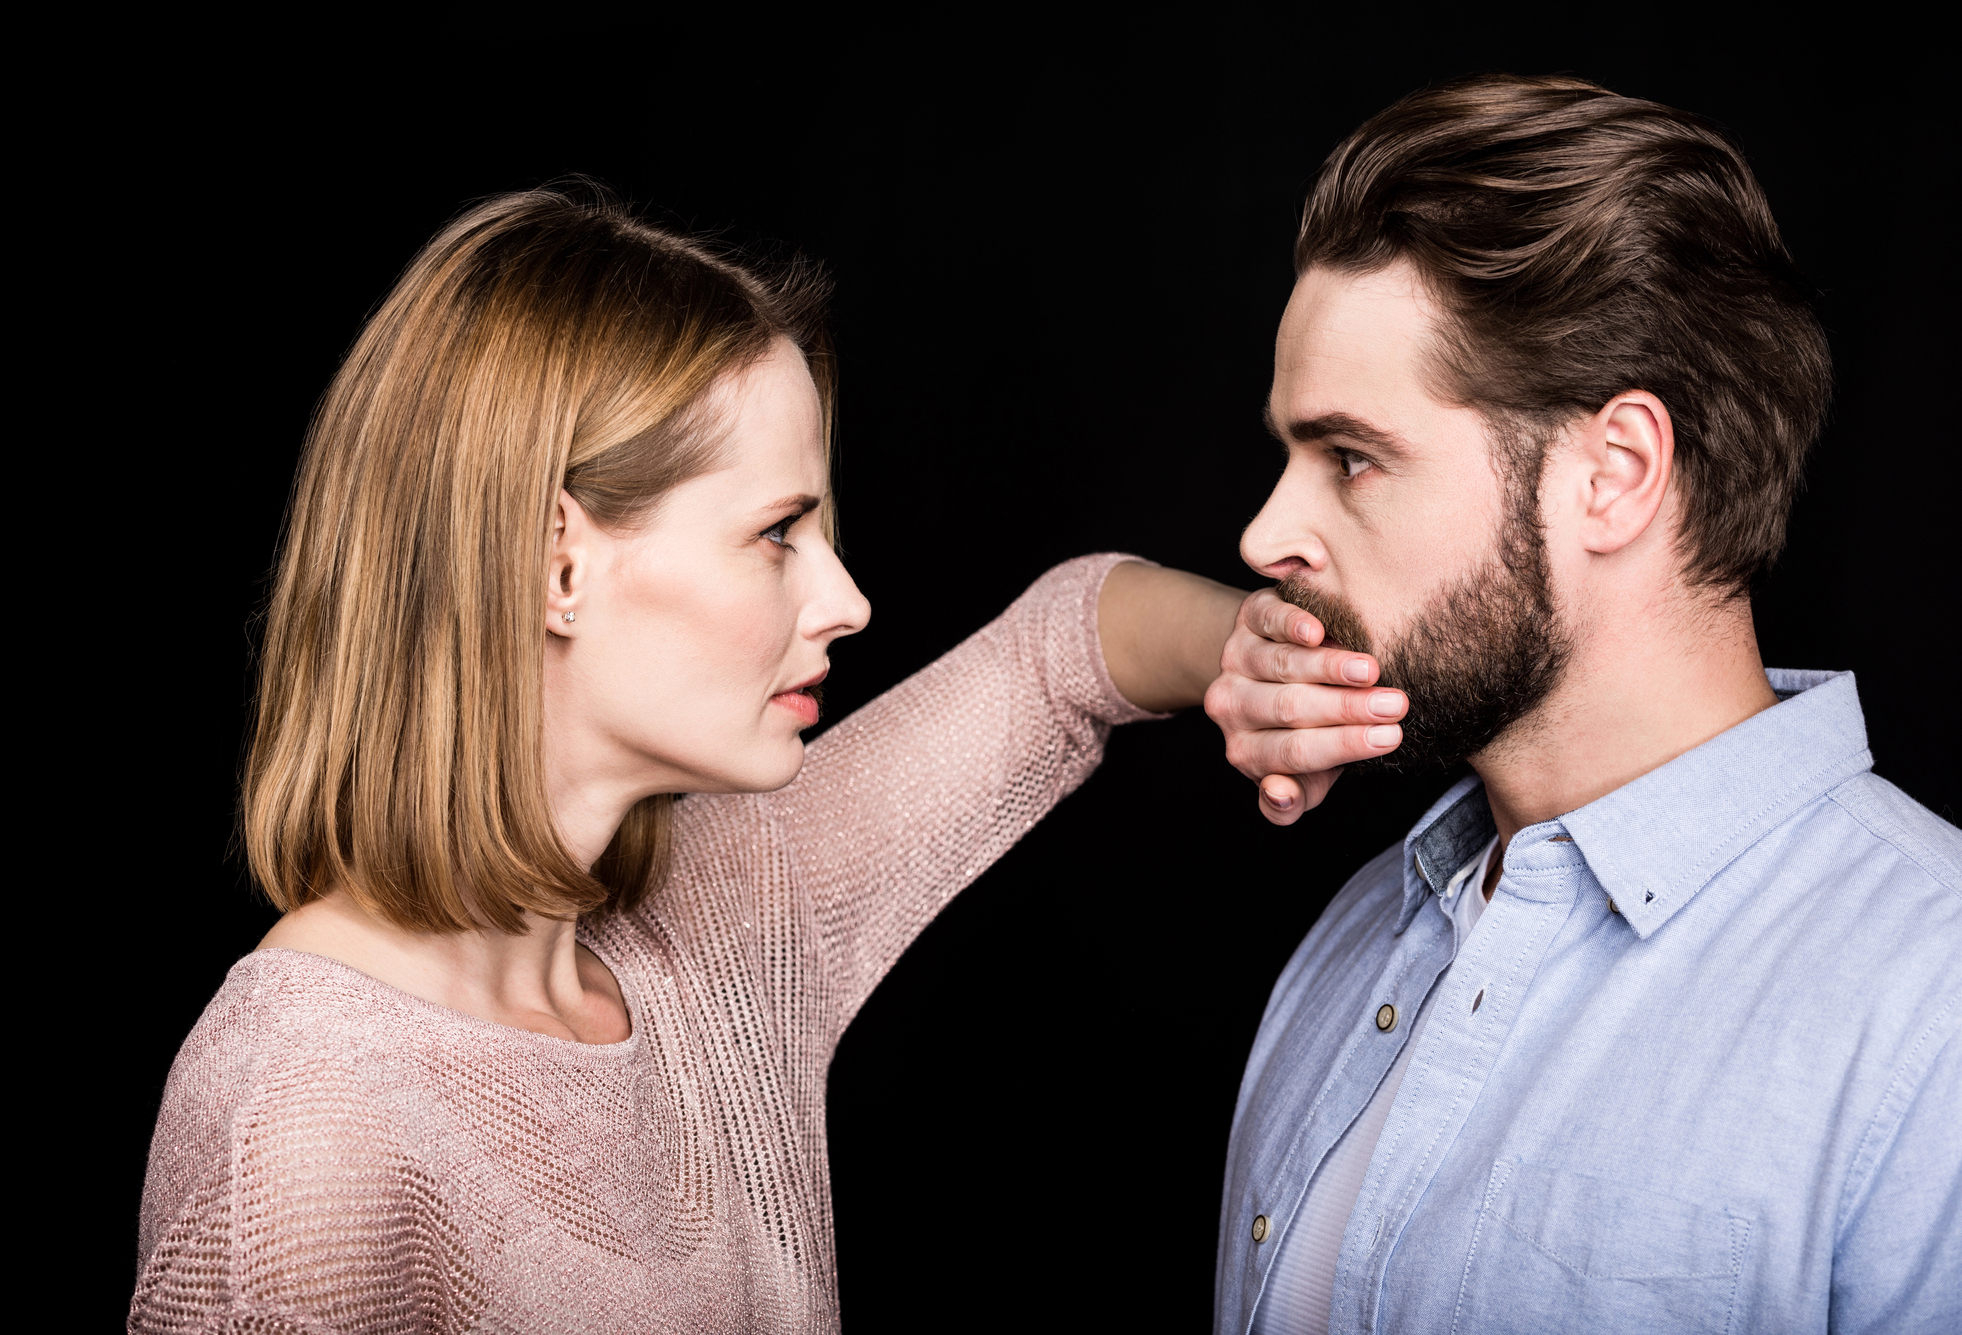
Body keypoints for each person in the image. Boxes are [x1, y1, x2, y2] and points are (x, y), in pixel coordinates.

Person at [129, 187, 1406, 1332]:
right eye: (778, 533)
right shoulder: (299, 1140)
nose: (847, 599)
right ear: (553, 561)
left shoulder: (715, 931)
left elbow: (1062, 649)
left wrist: (1248, 658)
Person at [1201, 75, 1962, 1334]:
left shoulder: (1958, 1008)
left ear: (1613, 473)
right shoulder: (1359, 940)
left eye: (1351, 458)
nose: (1261, 532)